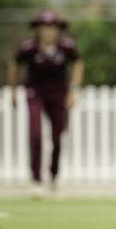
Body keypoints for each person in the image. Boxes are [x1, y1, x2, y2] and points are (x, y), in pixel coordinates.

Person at [8, 10, 84, 195]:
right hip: (35, 92)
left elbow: (78, 62)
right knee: (36, 133)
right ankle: (36, 179)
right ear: (39, 29)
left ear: (58, 30)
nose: (48, 32)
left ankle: (53, 175)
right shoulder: (29, 47)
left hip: (58, 94)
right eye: (45, 28)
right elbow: (14, 63)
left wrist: (74, 89)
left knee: (58, 137)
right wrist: (13, 91)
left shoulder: (66, 47)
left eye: (52, 28)